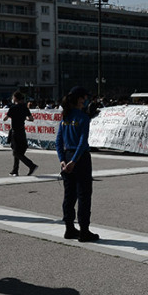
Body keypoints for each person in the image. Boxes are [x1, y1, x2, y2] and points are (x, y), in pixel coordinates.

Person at [56, 86, 99, 242]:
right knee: (84, 195)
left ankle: (69, 228)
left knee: (69, 196)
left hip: (67, 157)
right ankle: (84, 231)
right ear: (79, 99)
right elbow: (82, 142)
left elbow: (58, 141)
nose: (86, 100)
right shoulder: (83, 117)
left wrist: (63, 160)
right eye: (84, 97)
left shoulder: (65, 118)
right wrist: (74, 161)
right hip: (80, 159)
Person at [3, 90, 37, 176]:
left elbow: (5, 118)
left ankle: (31, 165)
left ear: (15, 98)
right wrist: (25, 118)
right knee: (17, 150)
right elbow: (31, 119)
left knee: (16, 152)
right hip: (22, 131)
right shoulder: (25, 108)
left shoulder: (13, 108)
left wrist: (8, 116)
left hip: (15, 131)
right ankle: (15, 170)